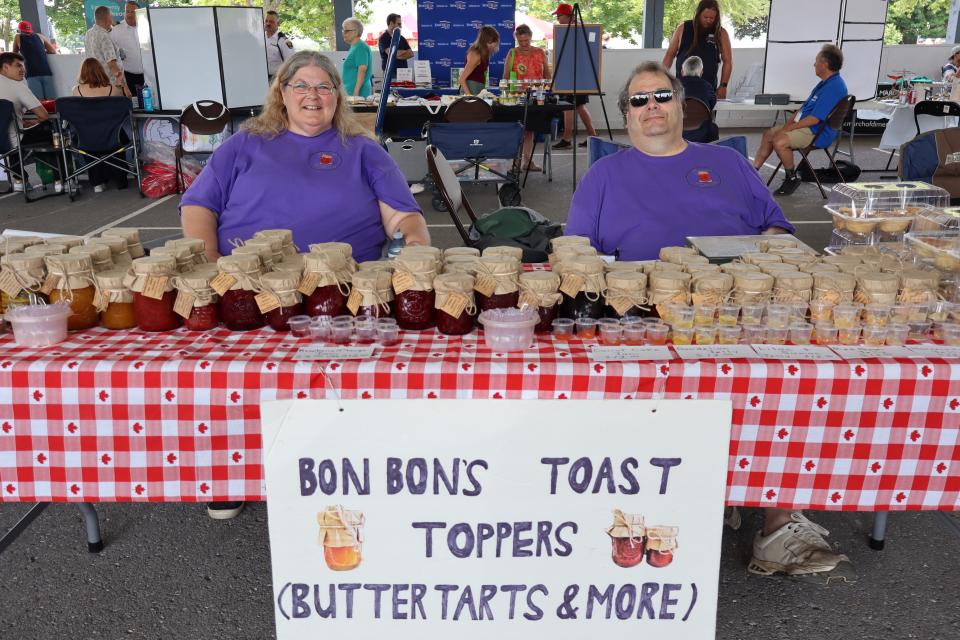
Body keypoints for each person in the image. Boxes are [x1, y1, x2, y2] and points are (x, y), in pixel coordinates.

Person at [568, 64, 852, 580]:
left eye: (661, 95)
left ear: (681, 105)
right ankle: (687, 498)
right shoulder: (603, 175)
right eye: (638, 100)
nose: (651, 106)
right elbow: (577, 259)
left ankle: (776, 525)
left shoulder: (725, 162)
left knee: (795, 377)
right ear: (627, 115)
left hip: (745, 310)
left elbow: (778, 231)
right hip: (646, 319)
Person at [181, 53, 428, 521]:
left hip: (341, 290)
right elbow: (199, 206)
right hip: (247, 286)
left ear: (338, 97)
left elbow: (401, 213)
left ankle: (347, 468)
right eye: (301, 86)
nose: (312, 96)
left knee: (342, 382)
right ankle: (230, 474)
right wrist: (207, 262)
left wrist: (413, 237)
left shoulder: (363, 149)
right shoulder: (243, 144)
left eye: (324, 87)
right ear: (282, 92)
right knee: (235, 380)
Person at [752, 43, 848, 196]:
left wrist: (788, 129)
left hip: (817, 132)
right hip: (807, 126)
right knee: (769, 134)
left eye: (816, 61)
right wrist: (789, 124)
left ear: (825, 64)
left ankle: (792, 177)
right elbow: (804, 109)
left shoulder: (834, 86)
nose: (814, 64)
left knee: (779, 140)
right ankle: (753, 172)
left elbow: (815, 119)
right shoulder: (824, 84)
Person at [70, 58, 131, 192]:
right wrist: (122, 85)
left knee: (88, 143)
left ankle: (97, 182)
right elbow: (127, 103)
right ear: (101, 71)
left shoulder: (76, 91)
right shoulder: (112, 89)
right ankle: (120, 180)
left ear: (82, 72)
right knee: (116, 142)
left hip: (87, 139)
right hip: (112, 137)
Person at [0, 52, 50, 190]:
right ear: (5, 67)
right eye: (18, 66)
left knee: (14, 132)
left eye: (23, 66)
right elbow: (43, 115)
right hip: (11, 141)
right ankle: (60, 179)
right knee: (51, 130)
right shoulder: (17, 86)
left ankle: (18, 179)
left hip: (3, 139)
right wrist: (35, 122)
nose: (23, 70)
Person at [662, 0, 732, 99]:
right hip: (682, 89)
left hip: (707, 90)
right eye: (705, 17)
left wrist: (723, 86)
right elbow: (669, 55)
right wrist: (661, 78)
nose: (708, 20)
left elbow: (728, 61)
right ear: (698, 14)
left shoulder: (721, 33)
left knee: (704, 112)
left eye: (712, 18)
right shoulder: (682, 28)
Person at [504, 23, 551, 171]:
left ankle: (527, 161)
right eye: (520, 41)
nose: (524, 44)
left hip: (537, 96)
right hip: (516, 96)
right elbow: (505, 77)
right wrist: (506, 93)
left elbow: (547, 75)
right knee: (516, 129)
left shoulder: (540, 52)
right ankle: (515, 162)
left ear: (531, 38)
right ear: (516, 39)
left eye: (526, 40)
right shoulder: (512, 53)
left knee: (529, 130)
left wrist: (548, 89)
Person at [550, 4, 597, 149]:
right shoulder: (577, 29)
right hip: (579, 76)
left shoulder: (574, 30)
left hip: (572, 76)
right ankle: (593, 137)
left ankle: (567, 139)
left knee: (568, 107)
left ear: (568, 16)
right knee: (579, 106)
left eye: (559, 16)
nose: (557, 19)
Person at [85, 6, 129, 94]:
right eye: (111, 16)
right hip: (111, 85)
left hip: (96, 82)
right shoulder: (104, 36)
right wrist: (125, 88)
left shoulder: (89, 33)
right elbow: (112, 65)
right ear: (108, 17)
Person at [12, 20, 56, 100]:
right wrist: (42, 52)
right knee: (52, 101)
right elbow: (53, 51)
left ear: (20, 30)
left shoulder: (18, 36)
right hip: (46, 72)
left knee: (39, 102)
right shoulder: (40, 36)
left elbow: (14, 54)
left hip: (32, 73)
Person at [110, 1, 145, 94]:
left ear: (139, 12)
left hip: (148, 75)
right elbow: (110, 53)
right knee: (132, 104)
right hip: (128, 76)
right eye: (127, 11)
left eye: (132, 12)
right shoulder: (116, 30)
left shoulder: (146, 26)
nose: (129, 14)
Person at [458, 26, 499, 96]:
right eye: (490, 42)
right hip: (470, 90)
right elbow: (462, 79)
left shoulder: (483, 53)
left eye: (493, 42)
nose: (493, 45)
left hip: (478, 89)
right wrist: (469, 95)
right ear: (483, 41)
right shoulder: (476, 54)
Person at [341, 17, 373, 98]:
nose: (343, 33)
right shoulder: (354, 47)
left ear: (355, 32)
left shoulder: (360, 47)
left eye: (346, 30)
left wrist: (356, 93)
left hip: (357, 94)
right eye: (343, 30)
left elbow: (362, 70)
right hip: (351, 91)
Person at [265, 10, 294, 81]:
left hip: (276, 79)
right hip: (260, 77)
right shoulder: (260, 38)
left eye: (271, 21)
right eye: (266, 21)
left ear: (278, 23)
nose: (268, 23)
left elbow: (291, 63)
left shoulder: (284, 41)